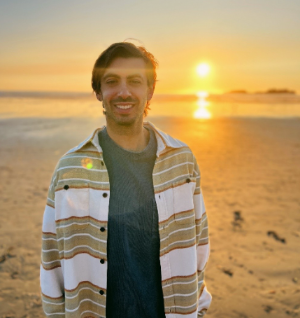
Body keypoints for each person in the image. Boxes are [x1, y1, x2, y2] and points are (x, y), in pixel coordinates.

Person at [40, 42, 212, 318]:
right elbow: (52, 259)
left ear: (150, 90)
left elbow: (198, 244)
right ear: (98, 92)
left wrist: (197, 309)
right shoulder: (70, 169)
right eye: (111, 81)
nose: (123, 92)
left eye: (134, 81)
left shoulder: (181, 161)